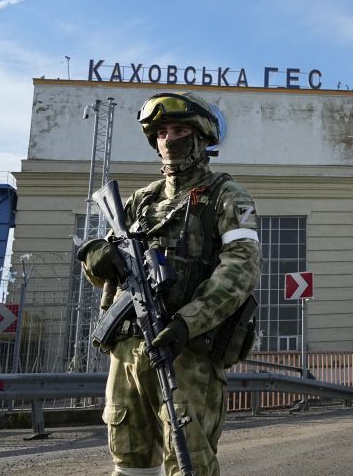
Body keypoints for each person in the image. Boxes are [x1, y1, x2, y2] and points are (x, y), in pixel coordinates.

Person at [78, 91, 262, 476]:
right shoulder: (139, 202)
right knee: (128, 461)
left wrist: (188, 322)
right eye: (162, 132)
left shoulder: (226, 197)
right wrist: (97, 259)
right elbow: (105, 272)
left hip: (188, 351)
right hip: (128, 349)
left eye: (179, 129)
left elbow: (240, 269)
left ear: (200, 138)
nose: (170, 139)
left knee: (188, 461)